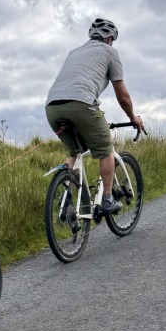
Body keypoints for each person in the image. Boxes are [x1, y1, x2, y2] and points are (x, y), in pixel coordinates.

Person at [45, 17, 145, 213]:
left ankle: (65, 198)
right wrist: (133, 117)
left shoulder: (74, 52)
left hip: (52, 107)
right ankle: (107, 200)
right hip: (82, 104)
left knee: (74, 153)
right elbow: (122, 95)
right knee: (106, 150)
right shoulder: (110, 52)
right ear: (109, 39)